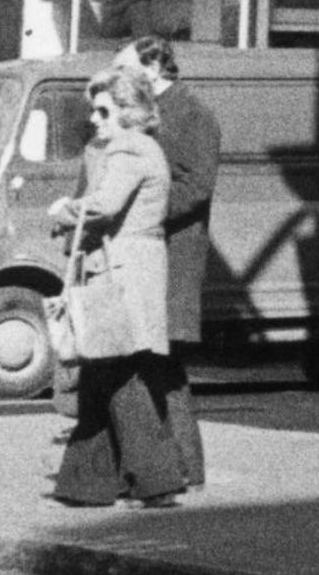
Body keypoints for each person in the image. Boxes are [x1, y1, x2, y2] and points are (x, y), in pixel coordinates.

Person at [50, 73, 184, 509]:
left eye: (104, 110)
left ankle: (155, 481)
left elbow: (103, 205)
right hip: (135, 268)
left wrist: (62, 210)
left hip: (120, 273)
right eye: (94, 110)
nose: (95, 119)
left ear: (128, 112)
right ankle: (89, 483)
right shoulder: (149, 147)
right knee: (106, 376)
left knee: (117, 375)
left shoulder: (128, 147)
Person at [116, 37, 219, 491]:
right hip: (148, 251)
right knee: (152, 364)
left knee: (166, 365)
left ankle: (182, 467)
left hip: (173, 254)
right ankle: (167, 467)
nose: (120, 76)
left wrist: (145, 206)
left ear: (155, 65)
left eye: (127, 67)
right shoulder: (140, 112)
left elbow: (197, 186)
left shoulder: (193, 113)